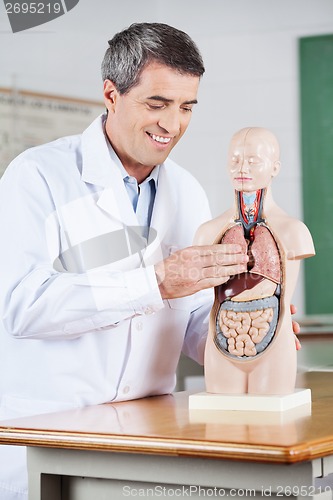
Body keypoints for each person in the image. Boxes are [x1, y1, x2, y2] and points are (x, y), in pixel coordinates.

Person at [0, 23, 249, 499]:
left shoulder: (187, 190)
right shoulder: (37, 177)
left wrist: (241, 330)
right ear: (111, 94)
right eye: (157, 104)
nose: (172, 124)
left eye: (186, 107)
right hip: (50, 436)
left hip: (149, 435)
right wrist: (154, 283)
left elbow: (191, 315)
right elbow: (21, 305)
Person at [194, 127, 315, 395]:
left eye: (253, 160)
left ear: (275, 167)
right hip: (222, 340)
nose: (242, 168)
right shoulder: (207, 232)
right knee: (223, 429)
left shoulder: (293, 231)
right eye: (235, 160)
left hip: (274, 340)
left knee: (269, 430)